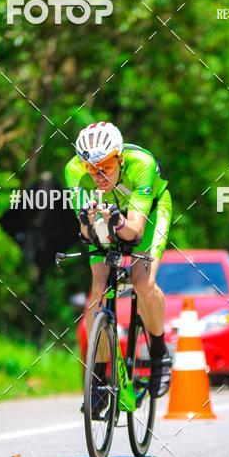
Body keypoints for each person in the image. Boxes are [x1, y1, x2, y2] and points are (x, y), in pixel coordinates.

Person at [64, 121, 173, 409]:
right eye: (91, 168)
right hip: (106, 216)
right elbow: (87, 233)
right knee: (97, 291)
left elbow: (135, 232)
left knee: (142, 281)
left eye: (106, 167)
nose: (98, 175)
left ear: (120, 157)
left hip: (146, 214)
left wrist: (118, 222)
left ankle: (160, 352)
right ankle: (98, 378)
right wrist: (89, 222)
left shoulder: (142, 164)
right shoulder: (73, 171)